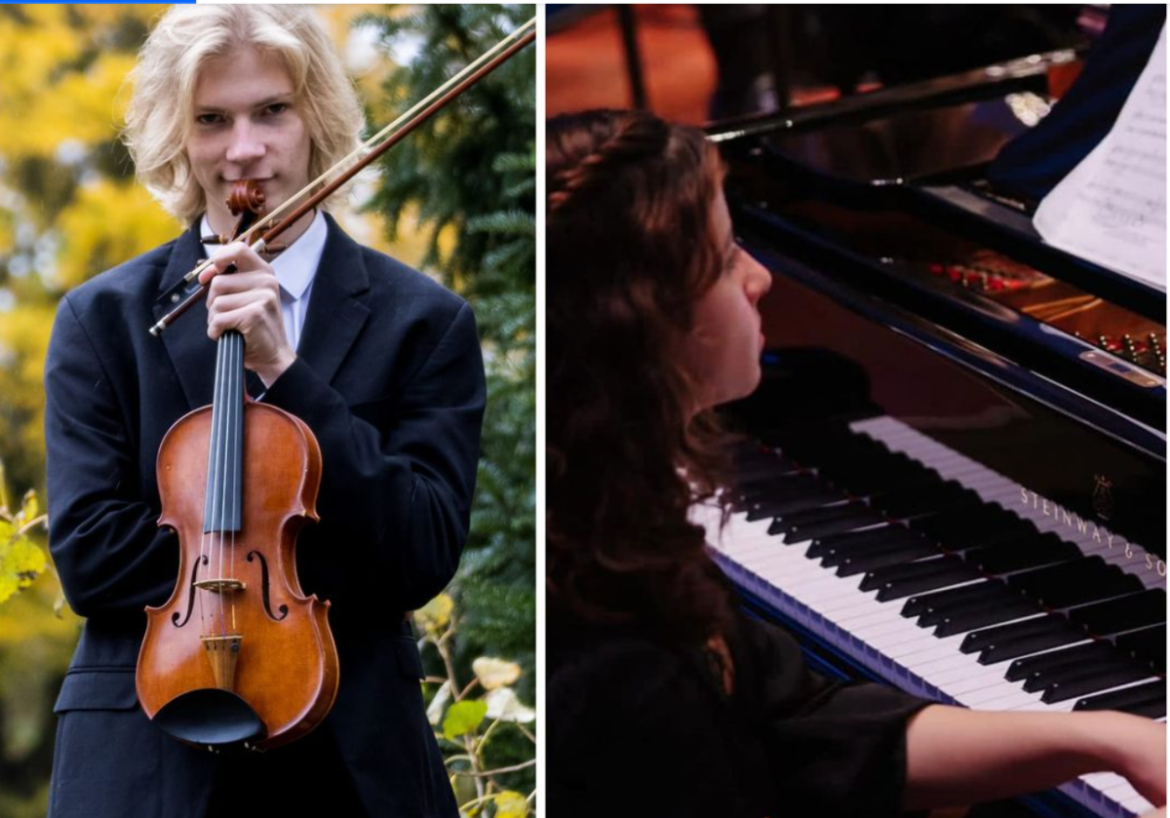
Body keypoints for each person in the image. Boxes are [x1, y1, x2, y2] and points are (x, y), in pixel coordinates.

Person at [546, 108, 1166, 818]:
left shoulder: (618, 524)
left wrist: (1114, 736)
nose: (760, 277)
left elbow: (803, 728)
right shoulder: (611, 675)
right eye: (722, 260)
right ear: (638, 326)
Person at [44, 6, 486, 818]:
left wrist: (287, 372)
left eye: (271, 111)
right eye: (211, 120)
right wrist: (252, 583)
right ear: (179, 137)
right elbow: (90, 556)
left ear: (315, 117)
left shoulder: (423, 321)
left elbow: (421, 549)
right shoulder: (101, 321)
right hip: (146, 759)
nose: (243, 150)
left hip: (352, 764)